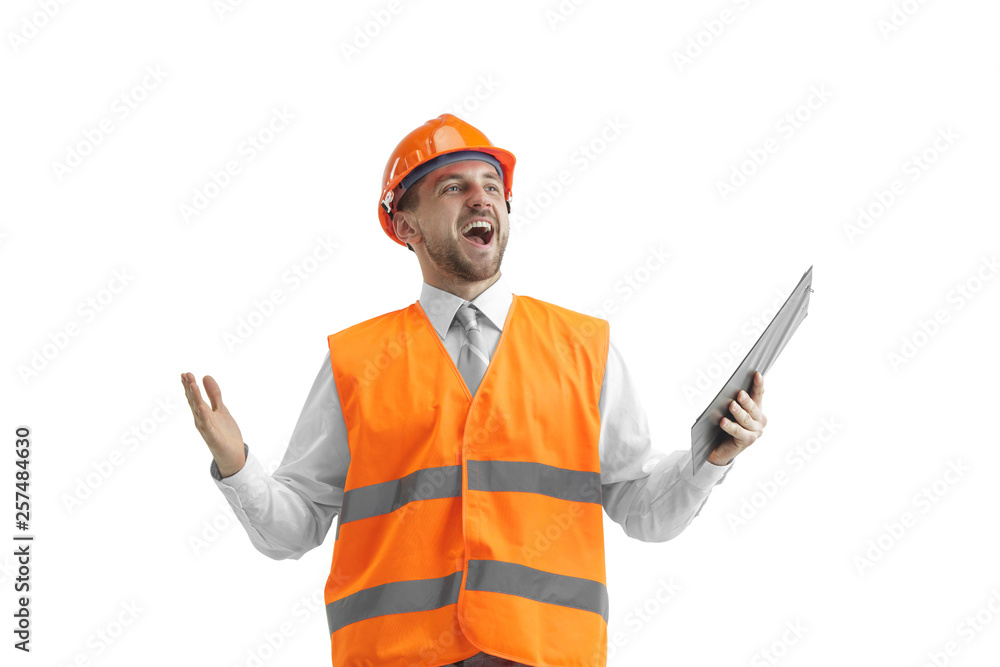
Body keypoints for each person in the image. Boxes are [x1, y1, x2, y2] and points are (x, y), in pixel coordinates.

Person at [182, 113, 768, 667]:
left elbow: (645, 511)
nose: (481, 197)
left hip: (545, 655)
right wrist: (237, 465)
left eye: (491, 185)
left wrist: (706, 461)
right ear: (405, 225)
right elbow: (295, 527)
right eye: (452, 188)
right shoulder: (356, 362)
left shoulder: (583, 349)